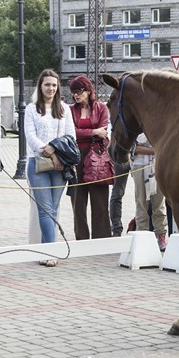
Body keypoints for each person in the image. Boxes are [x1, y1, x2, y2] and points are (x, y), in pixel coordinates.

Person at [24, 69, 76, 265]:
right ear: (40, 86)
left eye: (54, 85)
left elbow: (71, 136)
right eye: (47, 84)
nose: (51, 88)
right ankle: (51, 253)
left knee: (53, 209)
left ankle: (45, 250)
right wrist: (52, 153)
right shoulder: (31, 109)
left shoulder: (64, 108)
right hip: (38, 163)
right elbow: (31, 137)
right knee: (45, 210)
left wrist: (57, 152)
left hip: (61, 165)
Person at [68, 76, 111, 240]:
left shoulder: (101, 108)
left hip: (97, 157)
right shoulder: (70, 110)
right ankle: (81, 239)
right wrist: (93, 131)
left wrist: (85, 132)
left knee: (100, 202)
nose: (76, 96)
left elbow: (104, 131)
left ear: (88, 90)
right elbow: (70, 132)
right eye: (73, 92)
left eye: (78, 91)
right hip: (75, 156)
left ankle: (102, 239)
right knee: (77, 202)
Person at [131, 133, 168, 251]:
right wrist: (154, 150)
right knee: (141, 203)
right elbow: (134, 148)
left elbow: (163, 145)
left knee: (159, 203)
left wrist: (148, 149)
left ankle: (161, 235)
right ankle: (141, 235)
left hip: (157, 165)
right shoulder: (136, 125)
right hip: (139, 165)